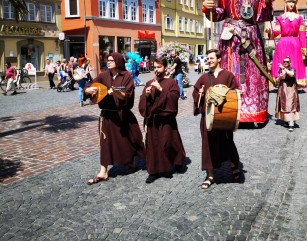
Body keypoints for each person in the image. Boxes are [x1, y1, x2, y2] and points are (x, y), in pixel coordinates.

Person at [202, 0, 273, 124]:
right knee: (229, 70)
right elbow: (219, 14)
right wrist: (208, 6)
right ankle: (229, 109)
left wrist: (266, 1)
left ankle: (253, 113)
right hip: (229, 34)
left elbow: (262, 17)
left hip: (250, 34)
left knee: (252, 72)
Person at [84, 52, 145, 185]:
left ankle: (131, 162)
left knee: (127, 140)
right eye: (108, 60)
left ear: (118, 62)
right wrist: (87, 90)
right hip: (107, 115)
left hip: (122, 115)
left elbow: (127, 95)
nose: (108, 62)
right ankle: (103, 171)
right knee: (104, 142)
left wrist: (117, 92)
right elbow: (91, 85)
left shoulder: (126, 76)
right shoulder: (103, 75)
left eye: (111, 60)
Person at [192, 49, 240, 189]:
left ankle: (234, 165)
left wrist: (236, 93)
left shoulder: (228, 75)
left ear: (219, 59)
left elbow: (235, 93)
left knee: (227, 143)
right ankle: (210, 176)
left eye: (212, 58)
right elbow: (195, 94)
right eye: (208, 58)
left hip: (224, 118)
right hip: (208, 118)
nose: (209, 60)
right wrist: (199, 94)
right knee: (208, 146)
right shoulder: (204, 77)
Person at [139, 56, 186, 184]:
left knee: (169, 142)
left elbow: (174, 97)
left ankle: (177, 161)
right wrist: (146, 95)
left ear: (165, 67)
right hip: (152, 121)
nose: (156, 70)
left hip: (166, 119)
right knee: (152, 145)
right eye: (154, 67)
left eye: (159, 67)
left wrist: (161, 89)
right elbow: (143, 102)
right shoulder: (149, 83)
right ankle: (153, 171)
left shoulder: (171, 82)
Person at [267, 0, 307, 87]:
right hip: (282, 43)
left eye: (293, 2)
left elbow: (302, 35)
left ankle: (296, 80)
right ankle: (279, 79)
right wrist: (270, 32)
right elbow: (276, 32)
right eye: (289, 2)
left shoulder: (299, 18)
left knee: (294, 63)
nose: (291, 4)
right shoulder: (280, 18)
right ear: (286, 2)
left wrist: (303, 50)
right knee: (282, 63)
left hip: (295, 44)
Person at [274, 56, 300, 132]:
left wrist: (283, 68)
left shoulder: (292, 69)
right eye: (284, 61)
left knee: (290, 106)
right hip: (282, 90)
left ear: (290, 63)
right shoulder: (280, 70)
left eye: (287, 62)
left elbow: (291, 74)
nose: (285, 63)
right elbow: (277, 80)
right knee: (283, 106)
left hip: (291, 91)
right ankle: (286, 120)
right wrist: (279, 78)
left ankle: (291, 123)